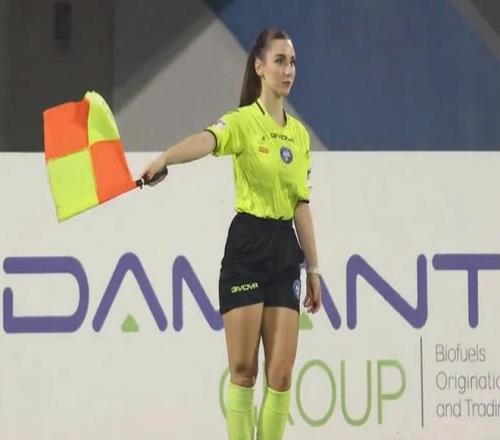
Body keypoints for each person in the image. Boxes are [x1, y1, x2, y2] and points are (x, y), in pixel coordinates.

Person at [142, 28, 321, 440]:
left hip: (285, 250)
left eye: (292, 62)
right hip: (247, 247)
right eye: (279, 61)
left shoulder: (299, 135)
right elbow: (206, 140)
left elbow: (301, 204)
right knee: (244, 371)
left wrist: (314, 268)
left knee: (281, 375)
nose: (288, 70)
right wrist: (167, 157)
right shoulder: (242, 122)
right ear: (259, 66)